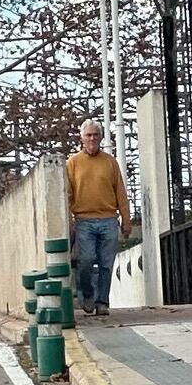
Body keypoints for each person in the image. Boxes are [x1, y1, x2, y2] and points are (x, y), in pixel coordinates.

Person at [66, 119, 134, 315]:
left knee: (106, 263)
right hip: (83, 220)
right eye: (88, 135)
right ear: (82, 138)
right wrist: (69, 218)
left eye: (96, 135)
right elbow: (68, 193)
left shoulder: (110, 162)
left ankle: (102, 301)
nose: (92, 138)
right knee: (85, 260)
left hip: (108, 219)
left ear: (101, 137)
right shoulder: (73, 162)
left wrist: (126, 219)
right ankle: (86, 294)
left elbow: (120, 192)